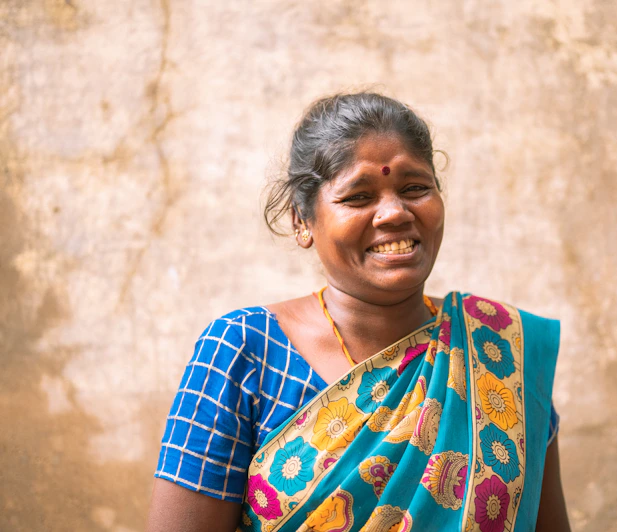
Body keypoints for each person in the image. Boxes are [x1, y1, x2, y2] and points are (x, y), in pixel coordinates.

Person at [146, 92, 570, 532]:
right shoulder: (246, 349)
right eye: (358, 196)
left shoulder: (498, 353)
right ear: (301, 221)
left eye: (415, 188)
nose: (394, 213)